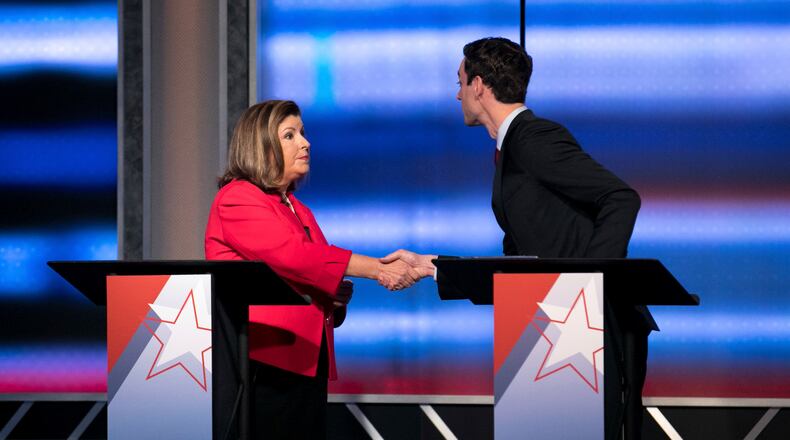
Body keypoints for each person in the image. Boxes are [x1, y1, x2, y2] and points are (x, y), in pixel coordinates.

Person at [385, 37, 651, 440]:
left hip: (577, 333)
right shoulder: (513, 148)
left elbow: (620, 198)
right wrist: (431, 266)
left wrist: (588, 287)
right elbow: (524, 262)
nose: (456, 94)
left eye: (459, 82)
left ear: (478, 85)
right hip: (546, 328)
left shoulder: (533, 137)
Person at [204, 100, 432, 439]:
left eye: (303, 133)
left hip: (306, 359)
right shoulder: (237, 197)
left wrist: (334, 296)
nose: (305, 142)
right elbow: (296, 257)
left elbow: (312, 272)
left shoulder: (298, 209)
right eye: (290, 135)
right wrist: (377, 269)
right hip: (262, 363)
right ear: (260, 145)